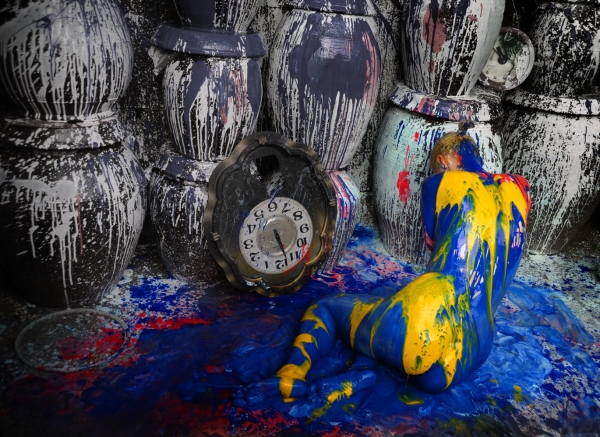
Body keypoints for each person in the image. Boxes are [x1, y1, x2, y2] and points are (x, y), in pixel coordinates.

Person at [236, 121, 531, 405]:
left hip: (423, 325)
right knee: (384, 322)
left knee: (327, 307)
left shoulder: (440, 182)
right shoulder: (520, 188)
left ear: (444, 161)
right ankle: (360, 374)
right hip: (468, 353)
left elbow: (430, 241)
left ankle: (291, 375)